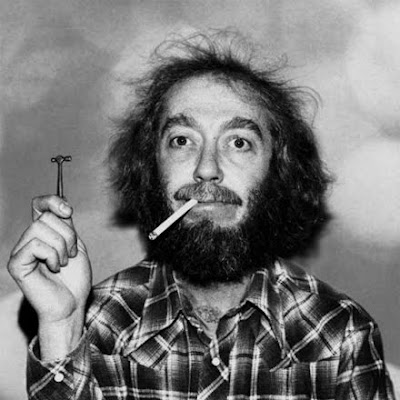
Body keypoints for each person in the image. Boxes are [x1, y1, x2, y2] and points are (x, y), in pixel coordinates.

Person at [8, 32, 394, 399]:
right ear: (151, 169)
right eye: (182, 141)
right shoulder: (97, 327)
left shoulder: (339, 334)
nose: (207, 169)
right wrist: (61, 325)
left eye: (239, 142)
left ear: (279, 174)